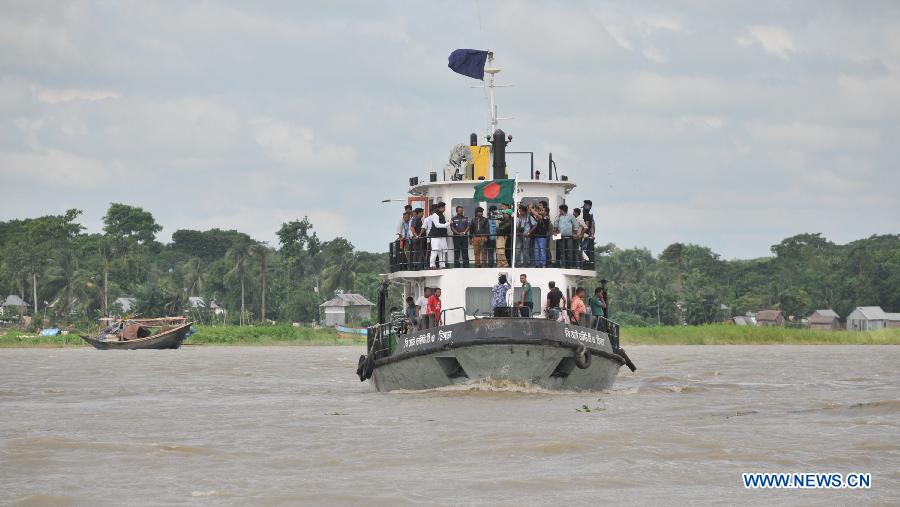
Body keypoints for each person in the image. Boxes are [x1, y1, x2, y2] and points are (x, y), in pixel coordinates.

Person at [427, 202, 451, 268]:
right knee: (435, 250)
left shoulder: (441, 214)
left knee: (443, 250)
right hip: (435, 236)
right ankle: (432, 265)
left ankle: (442, 265)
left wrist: (446, 223)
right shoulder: (435, 215)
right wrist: (447, 224)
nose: (444, 209)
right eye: (444, 207)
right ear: (441, 207)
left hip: (442, 235)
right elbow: (437, 225)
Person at [529, 203, 549, 267]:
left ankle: (543, 264)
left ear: (546, 212)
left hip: (542, 237)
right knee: (537, 251)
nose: (540, 211)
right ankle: (537, 264)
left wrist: (531, 208)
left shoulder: (546, 217)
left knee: (542, 250)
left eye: (542, 210)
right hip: (537, 236)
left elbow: (536, 214)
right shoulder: (539, 219)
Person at [495, 203, 512, 267]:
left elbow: (500, 230)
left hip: (506, 238)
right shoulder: (504, 221)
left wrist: (498, 227)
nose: (503, 214)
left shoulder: (510, 221)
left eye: (505, 213)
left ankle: (506, 264)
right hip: (504, 238)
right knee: (500, 251)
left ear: (508, 215)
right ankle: (501, 263)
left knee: (503, 252)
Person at [582, 200, 596, 265]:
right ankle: (583, 260)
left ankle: (584, 260)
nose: (584, 207)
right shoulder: (584, 214)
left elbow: (592, 226)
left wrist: (592, 234)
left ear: (589, 206)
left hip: (585, 233)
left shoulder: (590, 216)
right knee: (581, 247)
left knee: (583, 247)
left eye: (586, 205)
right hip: (582, 233)